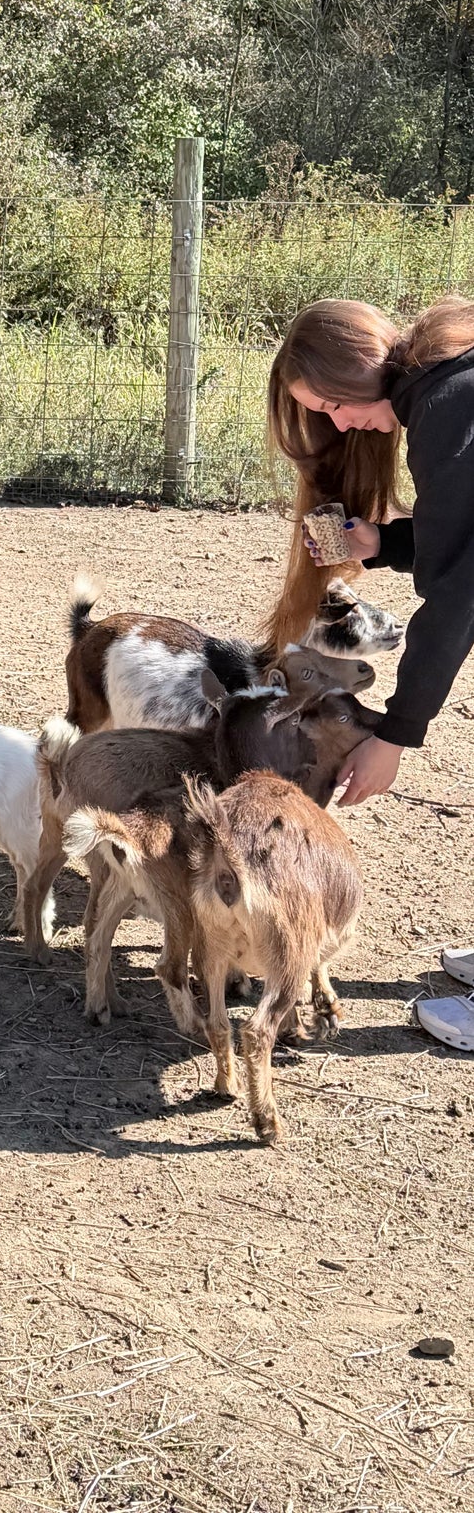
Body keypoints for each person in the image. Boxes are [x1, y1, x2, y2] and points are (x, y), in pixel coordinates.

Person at [267, 295, 474, 1052]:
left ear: (354, 371)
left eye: (329, 404)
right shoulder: (450, 388)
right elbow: (462, 535)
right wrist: (380, 542)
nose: (340, 424)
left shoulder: (447, 407)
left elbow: (460, 587)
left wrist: (395, 732)